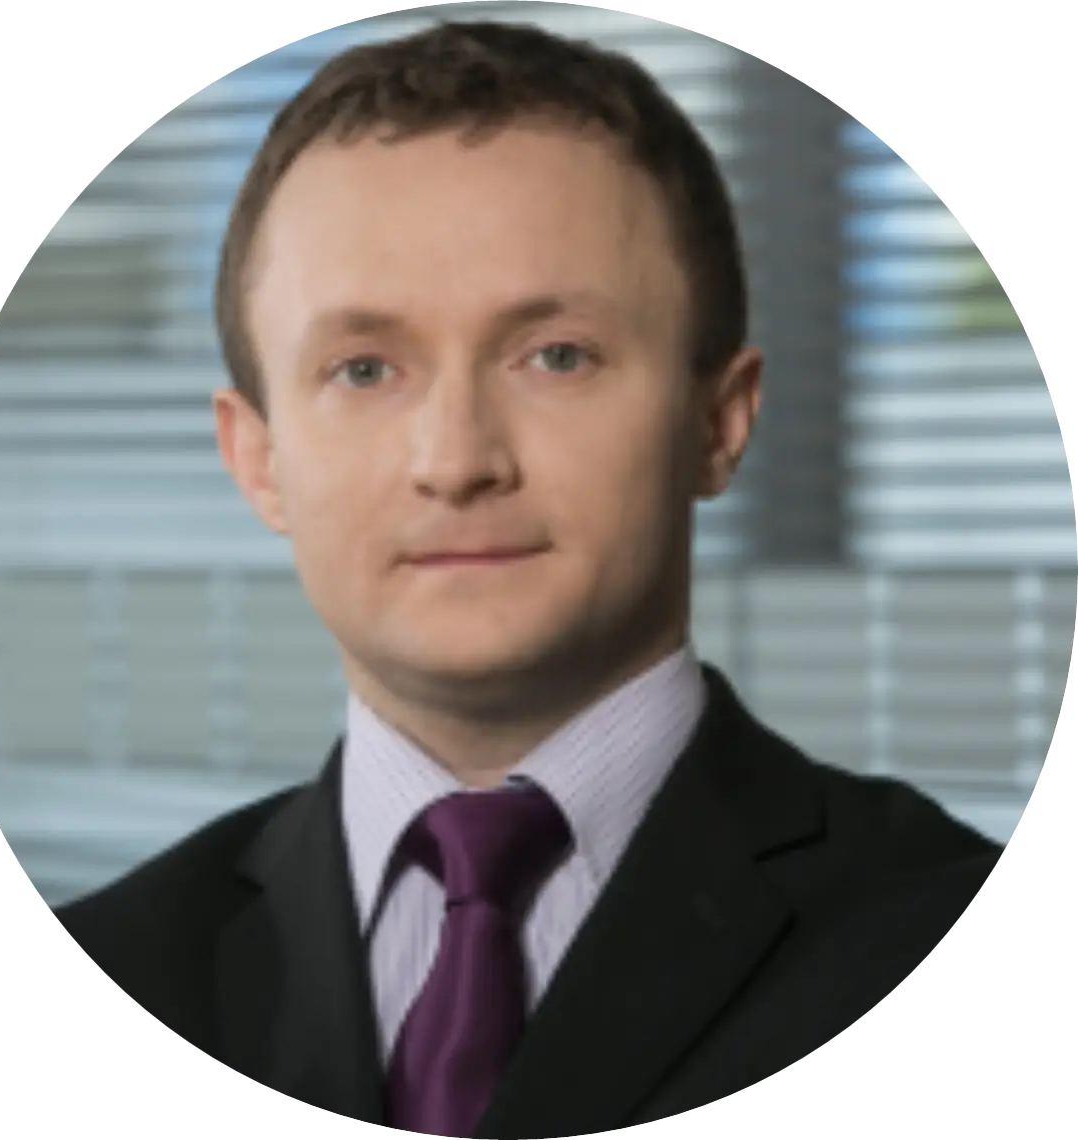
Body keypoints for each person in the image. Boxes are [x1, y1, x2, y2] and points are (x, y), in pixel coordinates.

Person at [53, 20, 1004, 1137]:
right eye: (364, 369)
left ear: (718, 422)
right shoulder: (115, 961)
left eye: (557, 356)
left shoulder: (932, 921)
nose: (457, 460)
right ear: (259, 460)